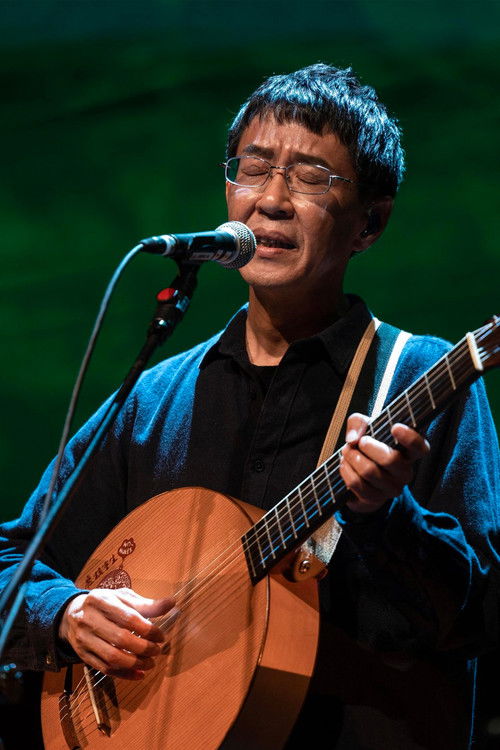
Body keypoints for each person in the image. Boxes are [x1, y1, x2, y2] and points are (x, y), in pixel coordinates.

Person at [0, 63, 499, 749]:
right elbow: (11, 557)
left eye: (312, 177)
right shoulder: (154, 399)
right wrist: (65, 612)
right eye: (254, 169)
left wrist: (388, 514)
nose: (271, 200)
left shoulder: (420, 378)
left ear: (370, 222)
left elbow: (480, 616)